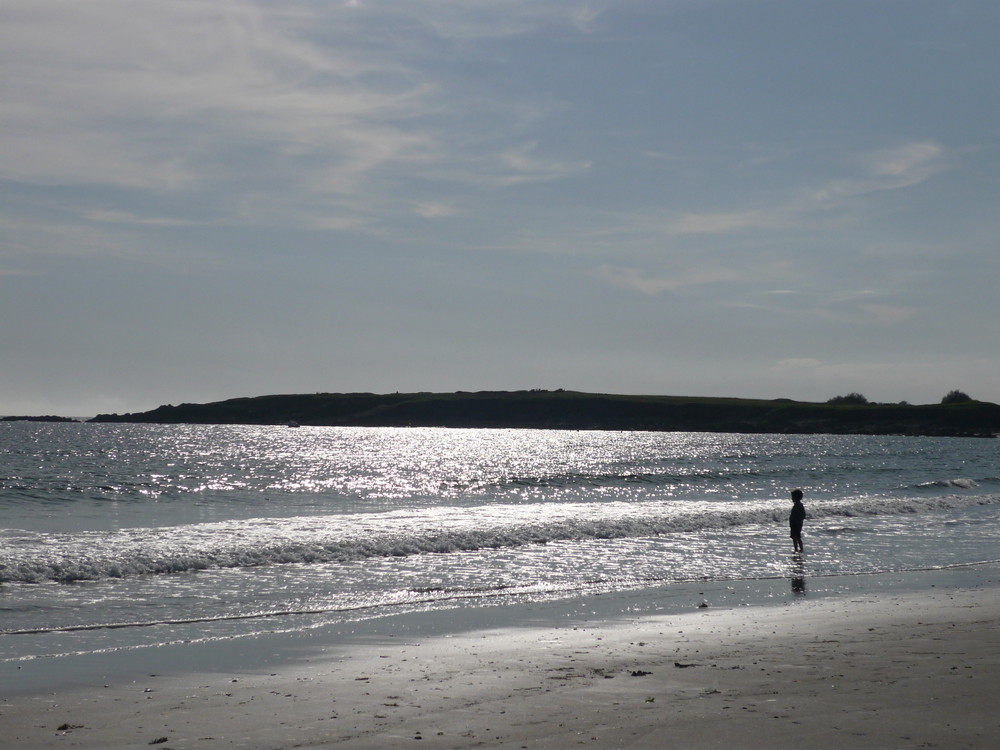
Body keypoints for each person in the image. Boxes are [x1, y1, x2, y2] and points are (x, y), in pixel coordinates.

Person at [789, 488, 805, 553]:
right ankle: (798, 549)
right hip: (795, 523)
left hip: (796, 524)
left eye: (793, 497)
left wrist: (797, 520)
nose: (792, 499)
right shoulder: (798, 505)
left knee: (796, 537)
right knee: (795, 537)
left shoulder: (798, 505)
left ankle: (798, 549)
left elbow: (803, 515)